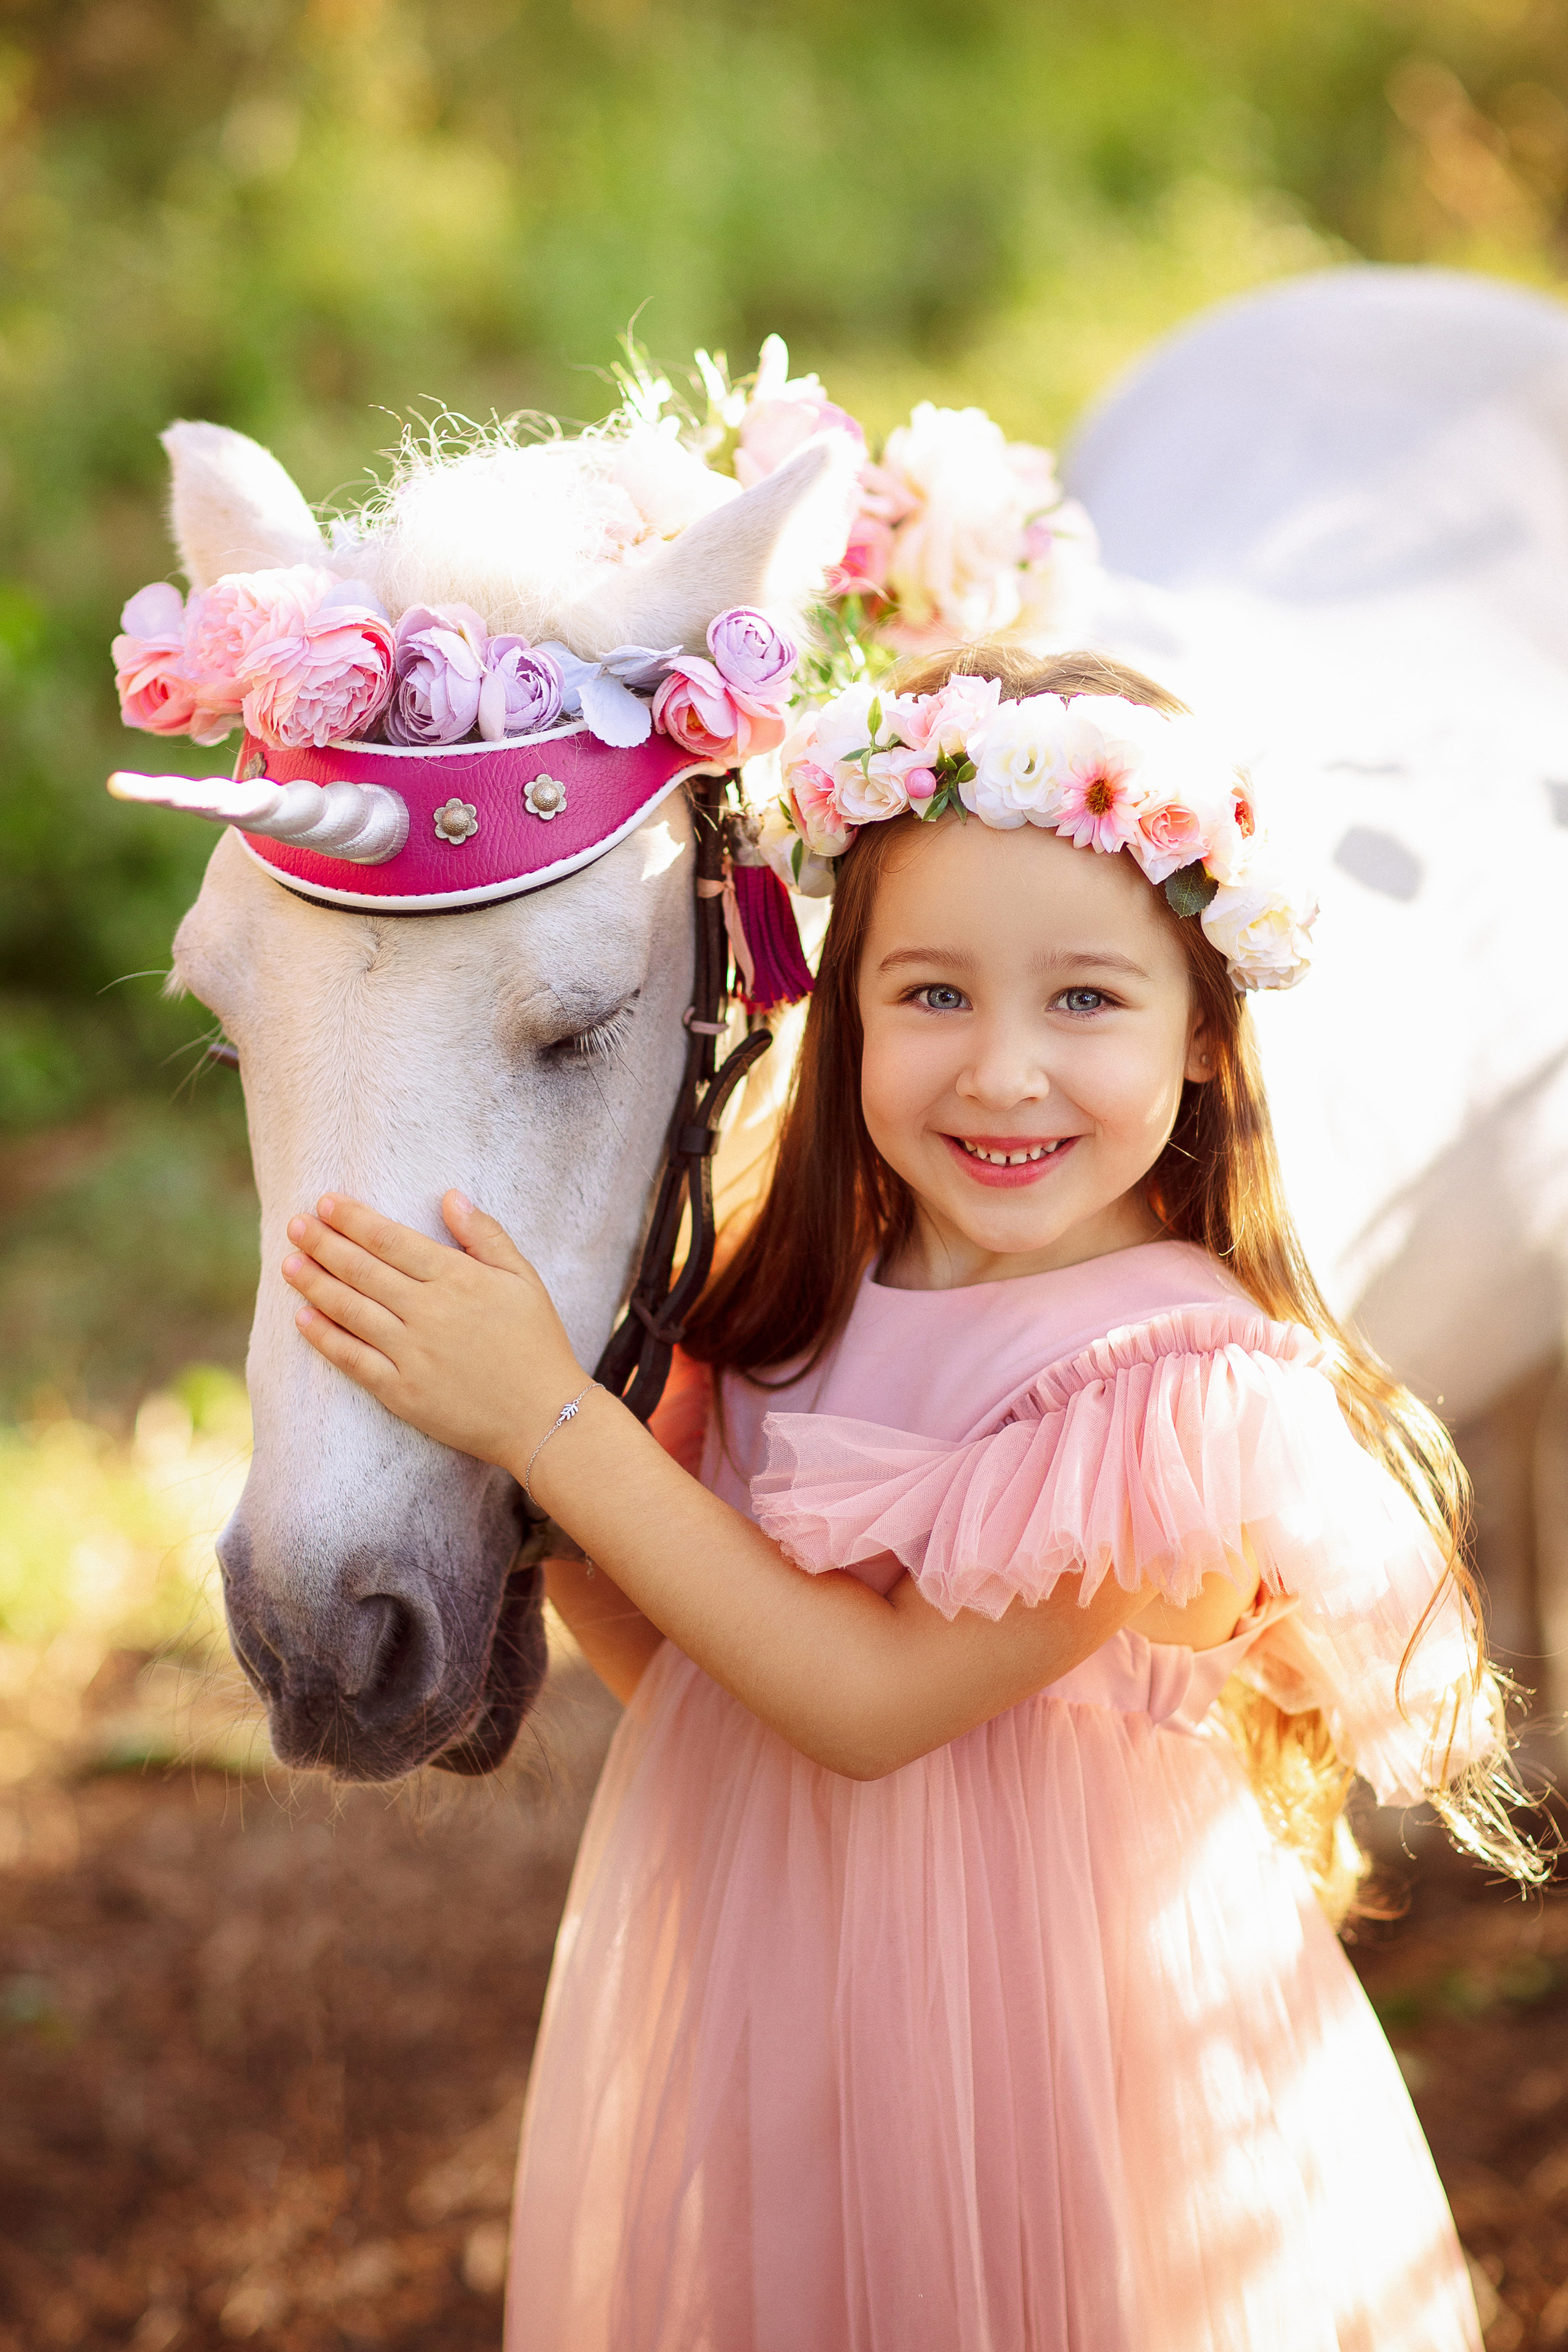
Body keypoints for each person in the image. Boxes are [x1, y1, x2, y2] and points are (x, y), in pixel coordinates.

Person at [279, 646, 1534, 2351]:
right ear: (843, 1005)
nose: (1005, 1072)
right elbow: (712, 1692)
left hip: (1062, 2079)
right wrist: (537, 1477)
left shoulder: (1161, 1390)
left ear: (1203, 1039)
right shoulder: (792, 1287)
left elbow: (864, 1708)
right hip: (789, 2023)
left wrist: (547, 1419)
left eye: (1086, 1001)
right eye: (933, 995)